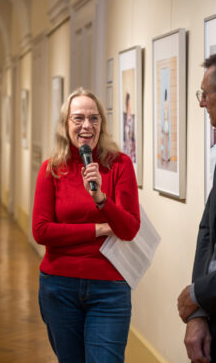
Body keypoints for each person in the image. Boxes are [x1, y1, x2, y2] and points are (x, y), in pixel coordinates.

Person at [32, 87, 140, 363]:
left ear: (102, 124)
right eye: (78, 118)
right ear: (65, 124)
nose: (86, 126)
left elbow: (129, 229)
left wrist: (101, 199)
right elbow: (42, 231)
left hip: (110, 288)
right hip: (59, 286)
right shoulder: (51, 169)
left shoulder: (120, 165)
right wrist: (99, 229)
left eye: (94, 118)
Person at [177, 50, 216, 363]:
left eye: (204, 94)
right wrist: (197, 312)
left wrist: (198, 295)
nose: (200, 103)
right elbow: (208, 232)